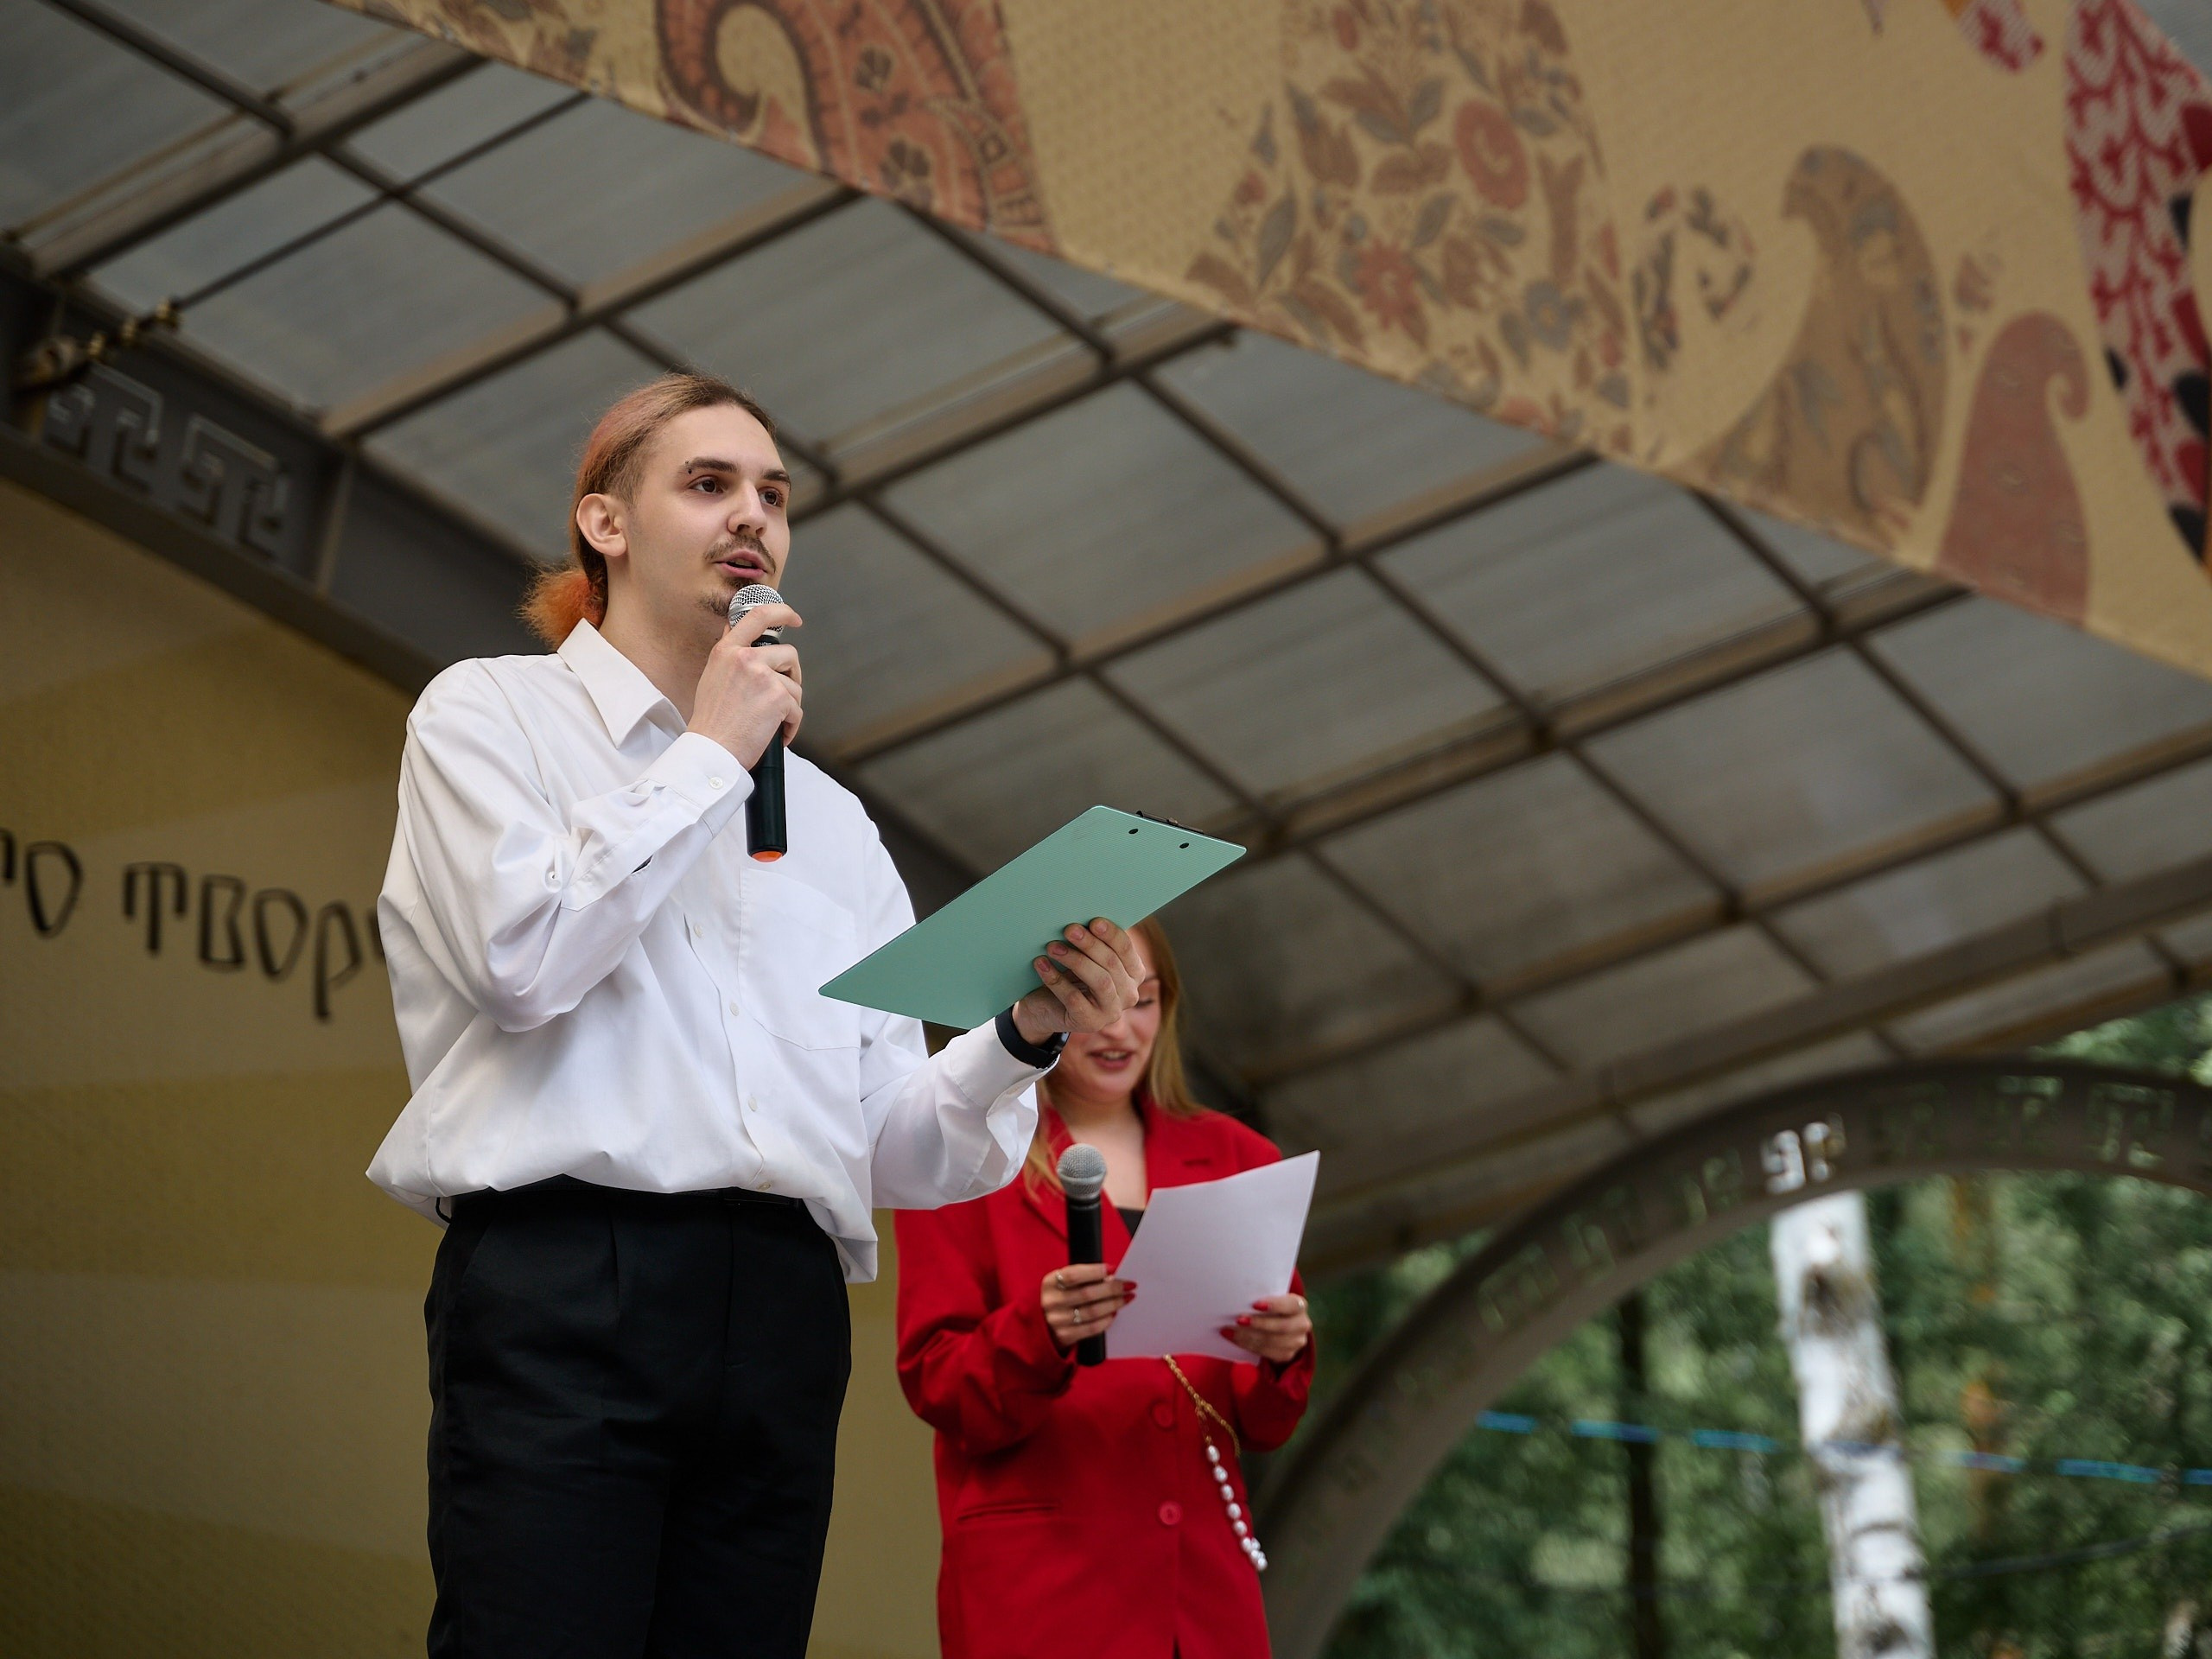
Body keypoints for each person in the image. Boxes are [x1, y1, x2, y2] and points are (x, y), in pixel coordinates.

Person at [365, 371, 1147, 1659]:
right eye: (709, 484)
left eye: (774, 496)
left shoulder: (832, 823)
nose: (754, 520)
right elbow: (521, 961)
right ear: (604, 524)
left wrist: (1017, 1039)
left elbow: (887, 1143)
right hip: (570, 1280)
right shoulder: (488, 715)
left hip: (781, 1310)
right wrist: (711, 757)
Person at [893, 917, 1315, 1659]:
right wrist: (1039, 1331)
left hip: (1203, 1596)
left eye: (1144, 999)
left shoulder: (1238, 1155)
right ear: (1041, 1003)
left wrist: (1283, 1349)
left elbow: (1266, 1423)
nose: (1121, 1027)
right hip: (1042, 1593)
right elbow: (937, 1384)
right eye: (1097, 999)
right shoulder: (963, 1160)